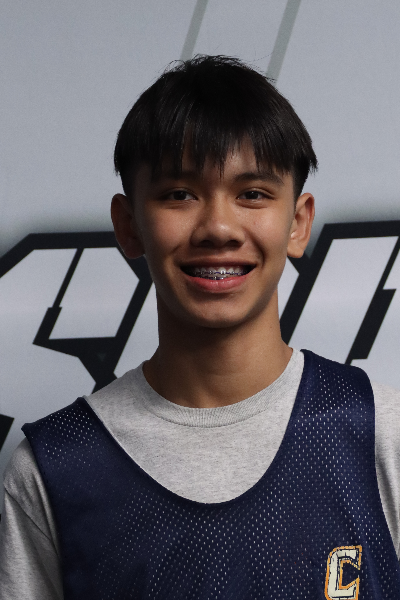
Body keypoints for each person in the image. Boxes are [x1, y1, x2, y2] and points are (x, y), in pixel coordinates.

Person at [1, 55, 400, 599]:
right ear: (128, 224)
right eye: (179, 194)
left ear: (298, 222)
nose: (218, 227)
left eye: (252, 193)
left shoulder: (382, 435)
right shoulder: (54, 469)